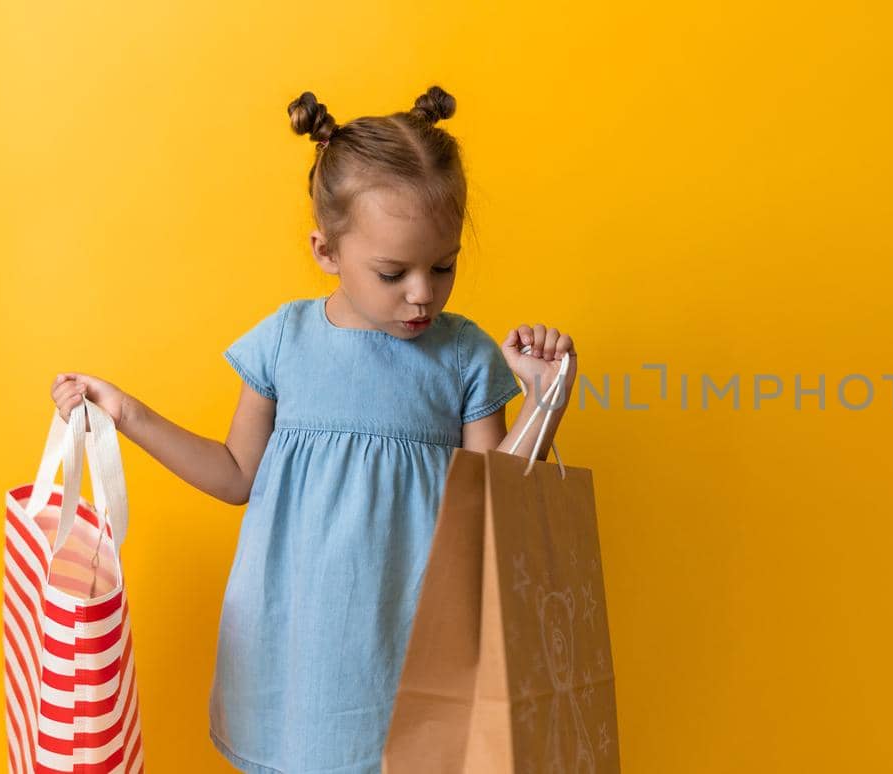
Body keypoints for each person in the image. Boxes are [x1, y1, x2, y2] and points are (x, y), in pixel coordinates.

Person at [48, 85, 579, 774]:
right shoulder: (282, 343)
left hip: (418, 641)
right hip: (297, 653)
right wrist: (127, 413)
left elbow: (495, 513)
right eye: (394, 272)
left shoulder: (466, 355)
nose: (423, 292)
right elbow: (237, 476)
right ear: (325, 250)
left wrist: (545, 401)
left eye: (443, 266)